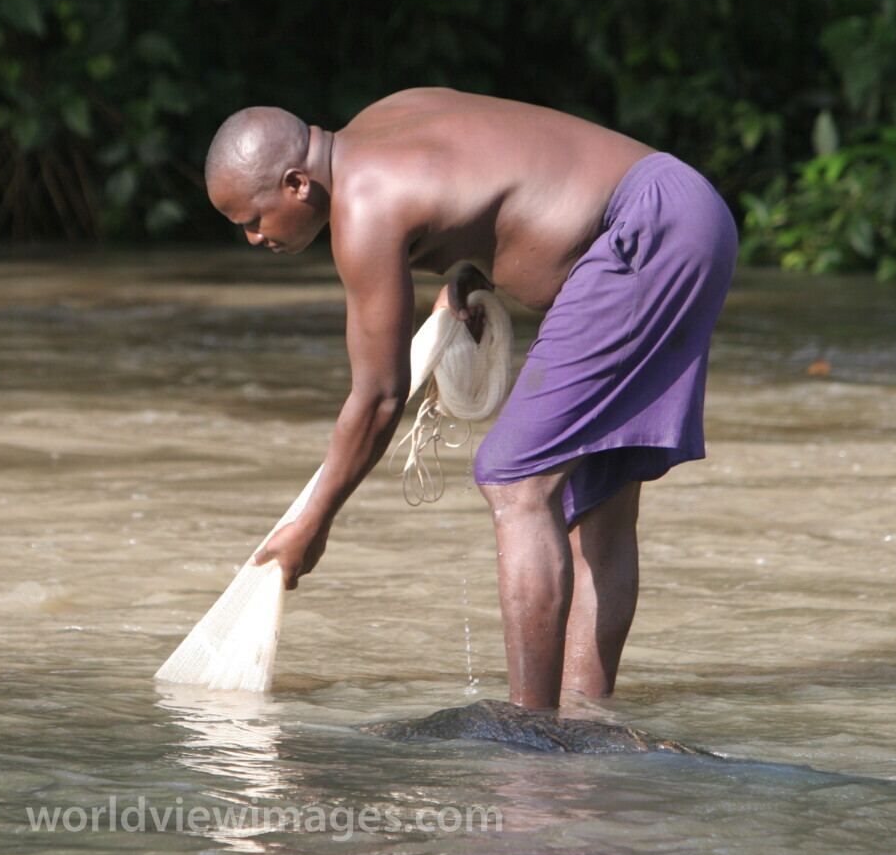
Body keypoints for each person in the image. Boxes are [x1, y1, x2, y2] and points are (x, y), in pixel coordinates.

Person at [204, 87, 737, 710]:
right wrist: (472, 272)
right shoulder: (383, 119)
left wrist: (313, 522)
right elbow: (516, 178)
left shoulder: (363, 204)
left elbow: (379, 397)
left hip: (647, 231)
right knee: (600, 500)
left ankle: (529, 734)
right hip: (682, 204)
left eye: (251, 220)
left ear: (297, 184)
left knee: (513, 476)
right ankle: (587, 722)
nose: (251, 238)